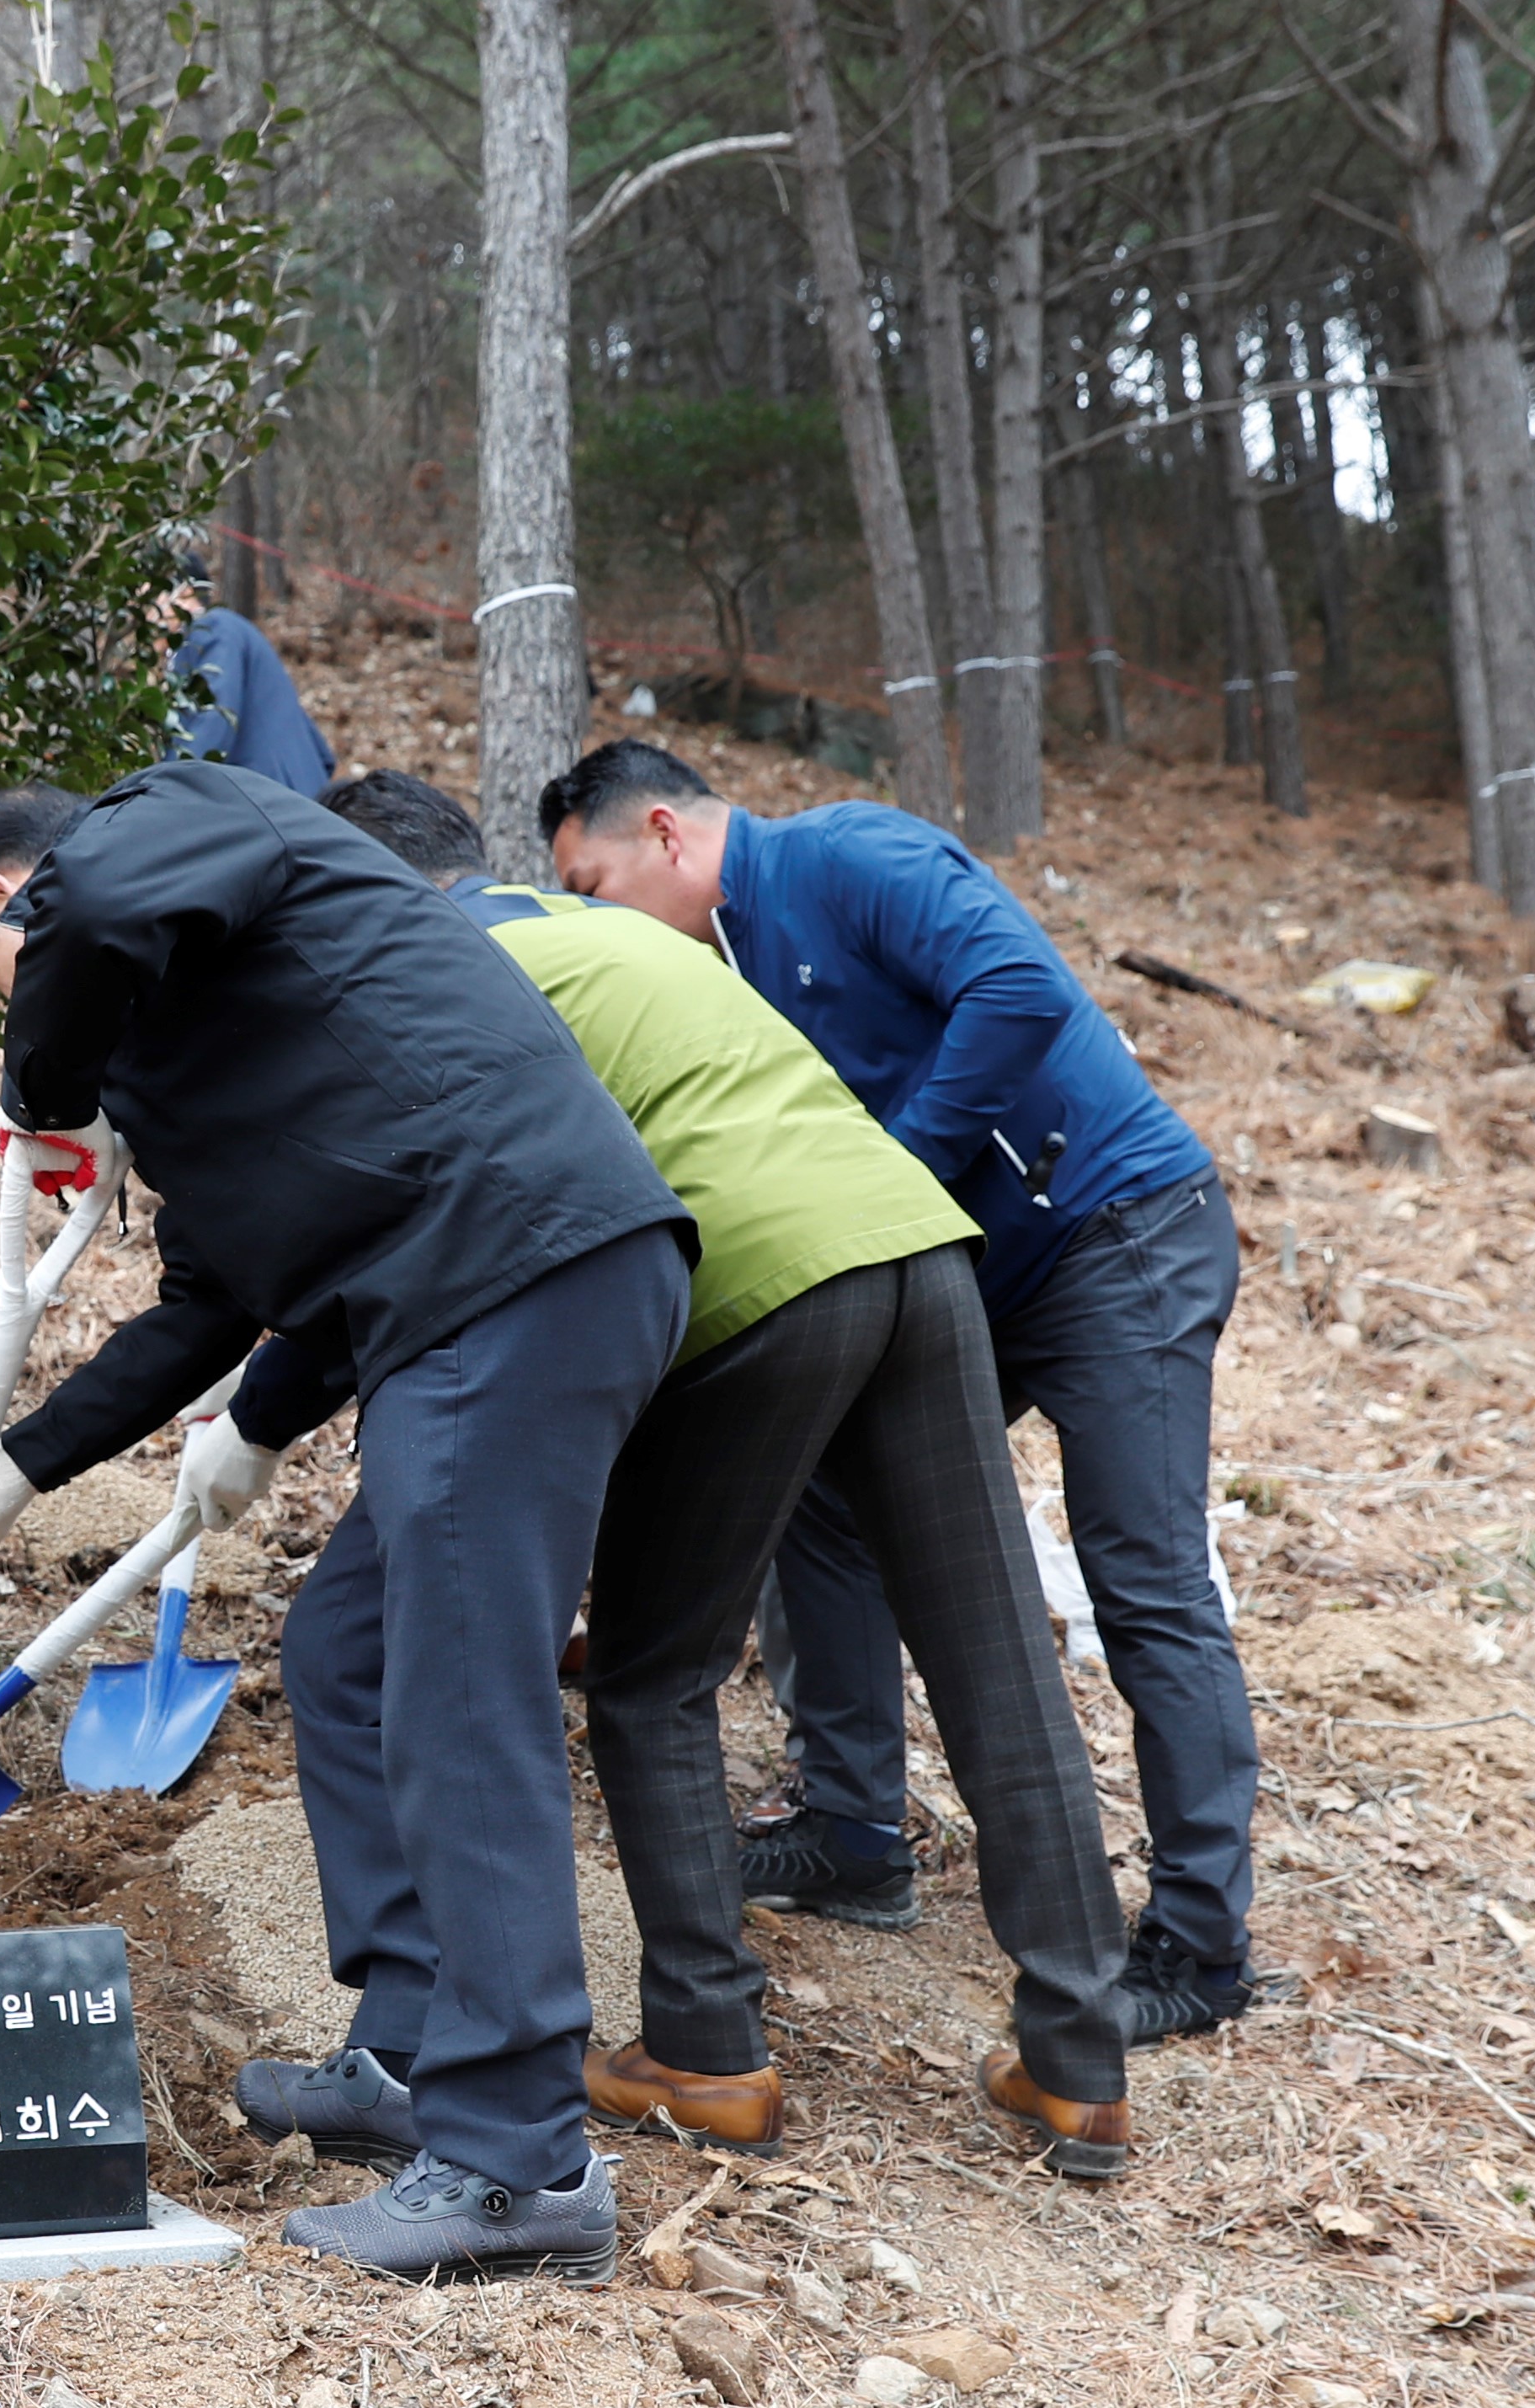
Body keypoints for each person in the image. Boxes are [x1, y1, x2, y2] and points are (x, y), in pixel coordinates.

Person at [230, 770, 1132, 2176]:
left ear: (370, 891)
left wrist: (261, 1406)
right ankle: (1079, 2065)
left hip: (747, 1283)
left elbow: (437, 1219)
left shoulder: (433, 971)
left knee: (652, 1676)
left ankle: (706, 2049)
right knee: (997, 1662)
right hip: (912, 1239)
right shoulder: (631, 936)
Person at [0, 761, 692, 2284]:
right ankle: (411, 2051)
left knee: (460, 1705)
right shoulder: (200, 1036)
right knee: (345, 1653)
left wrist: (40, 1093)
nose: (21, 1001)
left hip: (506, 1271)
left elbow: (98, 908)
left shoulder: (187, 813)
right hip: (478, 1292)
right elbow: (206, 1303)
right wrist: (17, 1468)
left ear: (7, 903)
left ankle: (513, 2159)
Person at [541, 741, 1259, 2048]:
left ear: (658, 831)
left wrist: (898, 1169)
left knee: (1140, 1576)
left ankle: (1200, 1945)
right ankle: (852, 1827)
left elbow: (1016, 990)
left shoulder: (845, 852)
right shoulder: (726, 958)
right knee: (815, 1490)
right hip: (973, 1267)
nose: (592, 922)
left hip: (1115, 1235)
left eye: (590, 885)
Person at [168, 598, 336, 795]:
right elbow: (323, 754)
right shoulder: (234, 629)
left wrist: (161, 788)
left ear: (185, 591)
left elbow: (214, 719)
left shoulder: (212, 627)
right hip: (302, 794)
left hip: (269, 798)